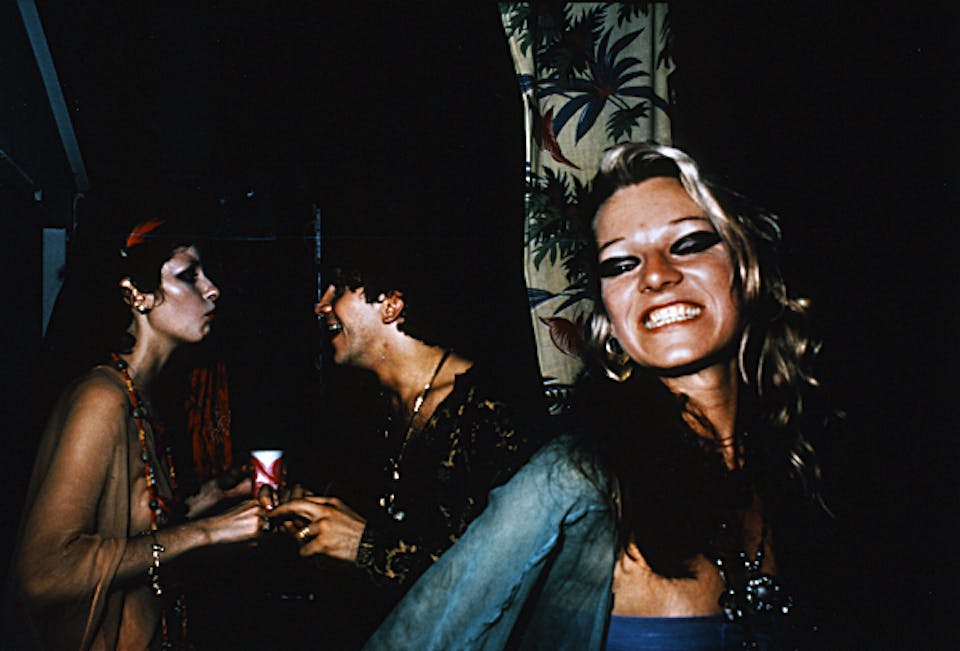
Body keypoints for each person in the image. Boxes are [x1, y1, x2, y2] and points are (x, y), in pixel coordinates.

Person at [362, 142, 830, 650]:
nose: (656, 274)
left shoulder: (800, 466)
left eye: (689, 242)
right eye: (621, 263)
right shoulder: (576, 480)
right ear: (609, 313)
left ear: (748, 266)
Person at [5, 217, 266, 650]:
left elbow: (132, 536)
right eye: (189, 276)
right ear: (136, 294)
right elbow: (45, 573)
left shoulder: (139, 394)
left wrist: (206, 501)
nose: (212, 290)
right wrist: (210, 531)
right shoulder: (102, 398)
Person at [265, 250, 542, 614]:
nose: (321, 306)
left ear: (391, 306)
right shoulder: (368, 404)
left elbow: (505, 578)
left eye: (340, 288)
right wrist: (312, 514)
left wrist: (367, 547)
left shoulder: (491, 412)